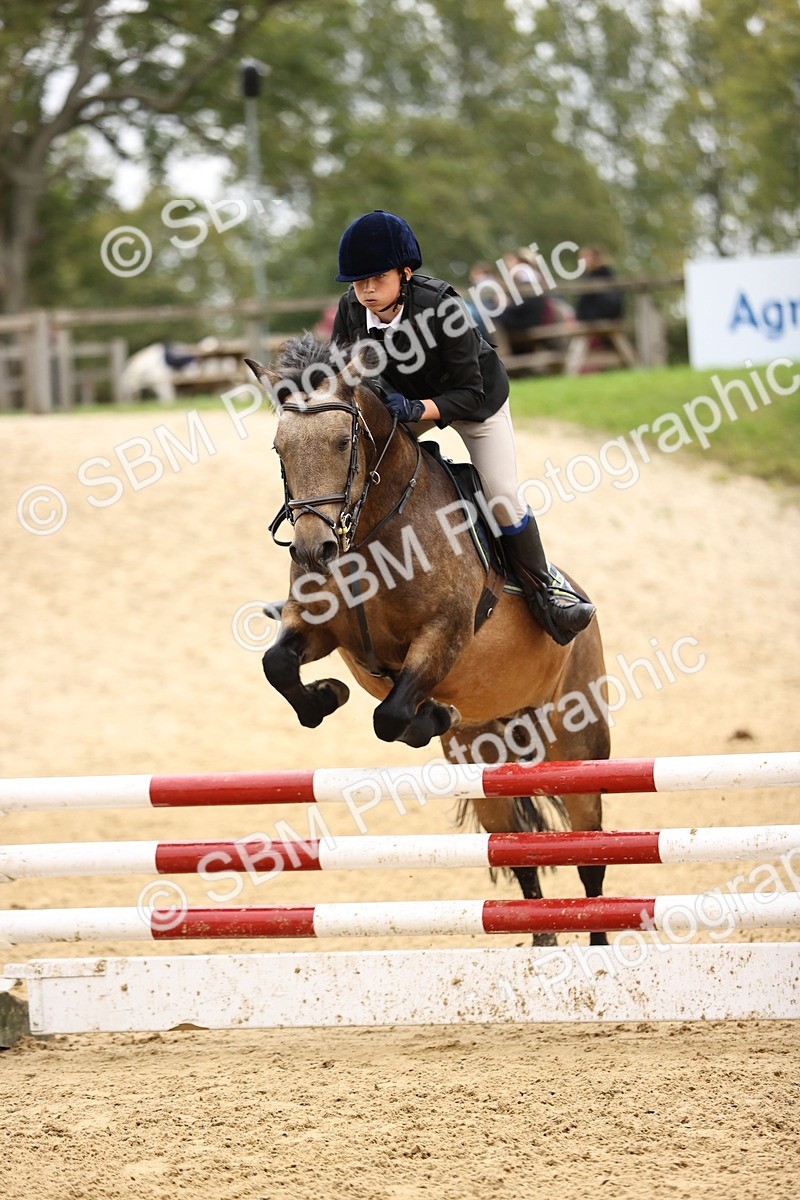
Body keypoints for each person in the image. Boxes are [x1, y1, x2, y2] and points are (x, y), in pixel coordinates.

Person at [330, 210, 595, 645]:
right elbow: (345, 377)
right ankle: (319, 590)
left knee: (503, 497)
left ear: (406, 273)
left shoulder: (442, 307)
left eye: (377, 278)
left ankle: (546, 590)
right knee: (349, 467)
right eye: (358, 282)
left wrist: (418, 407)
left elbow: (470, 393)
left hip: (474, 404)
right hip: (404, 405)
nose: (367, 290)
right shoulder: (351, 311)